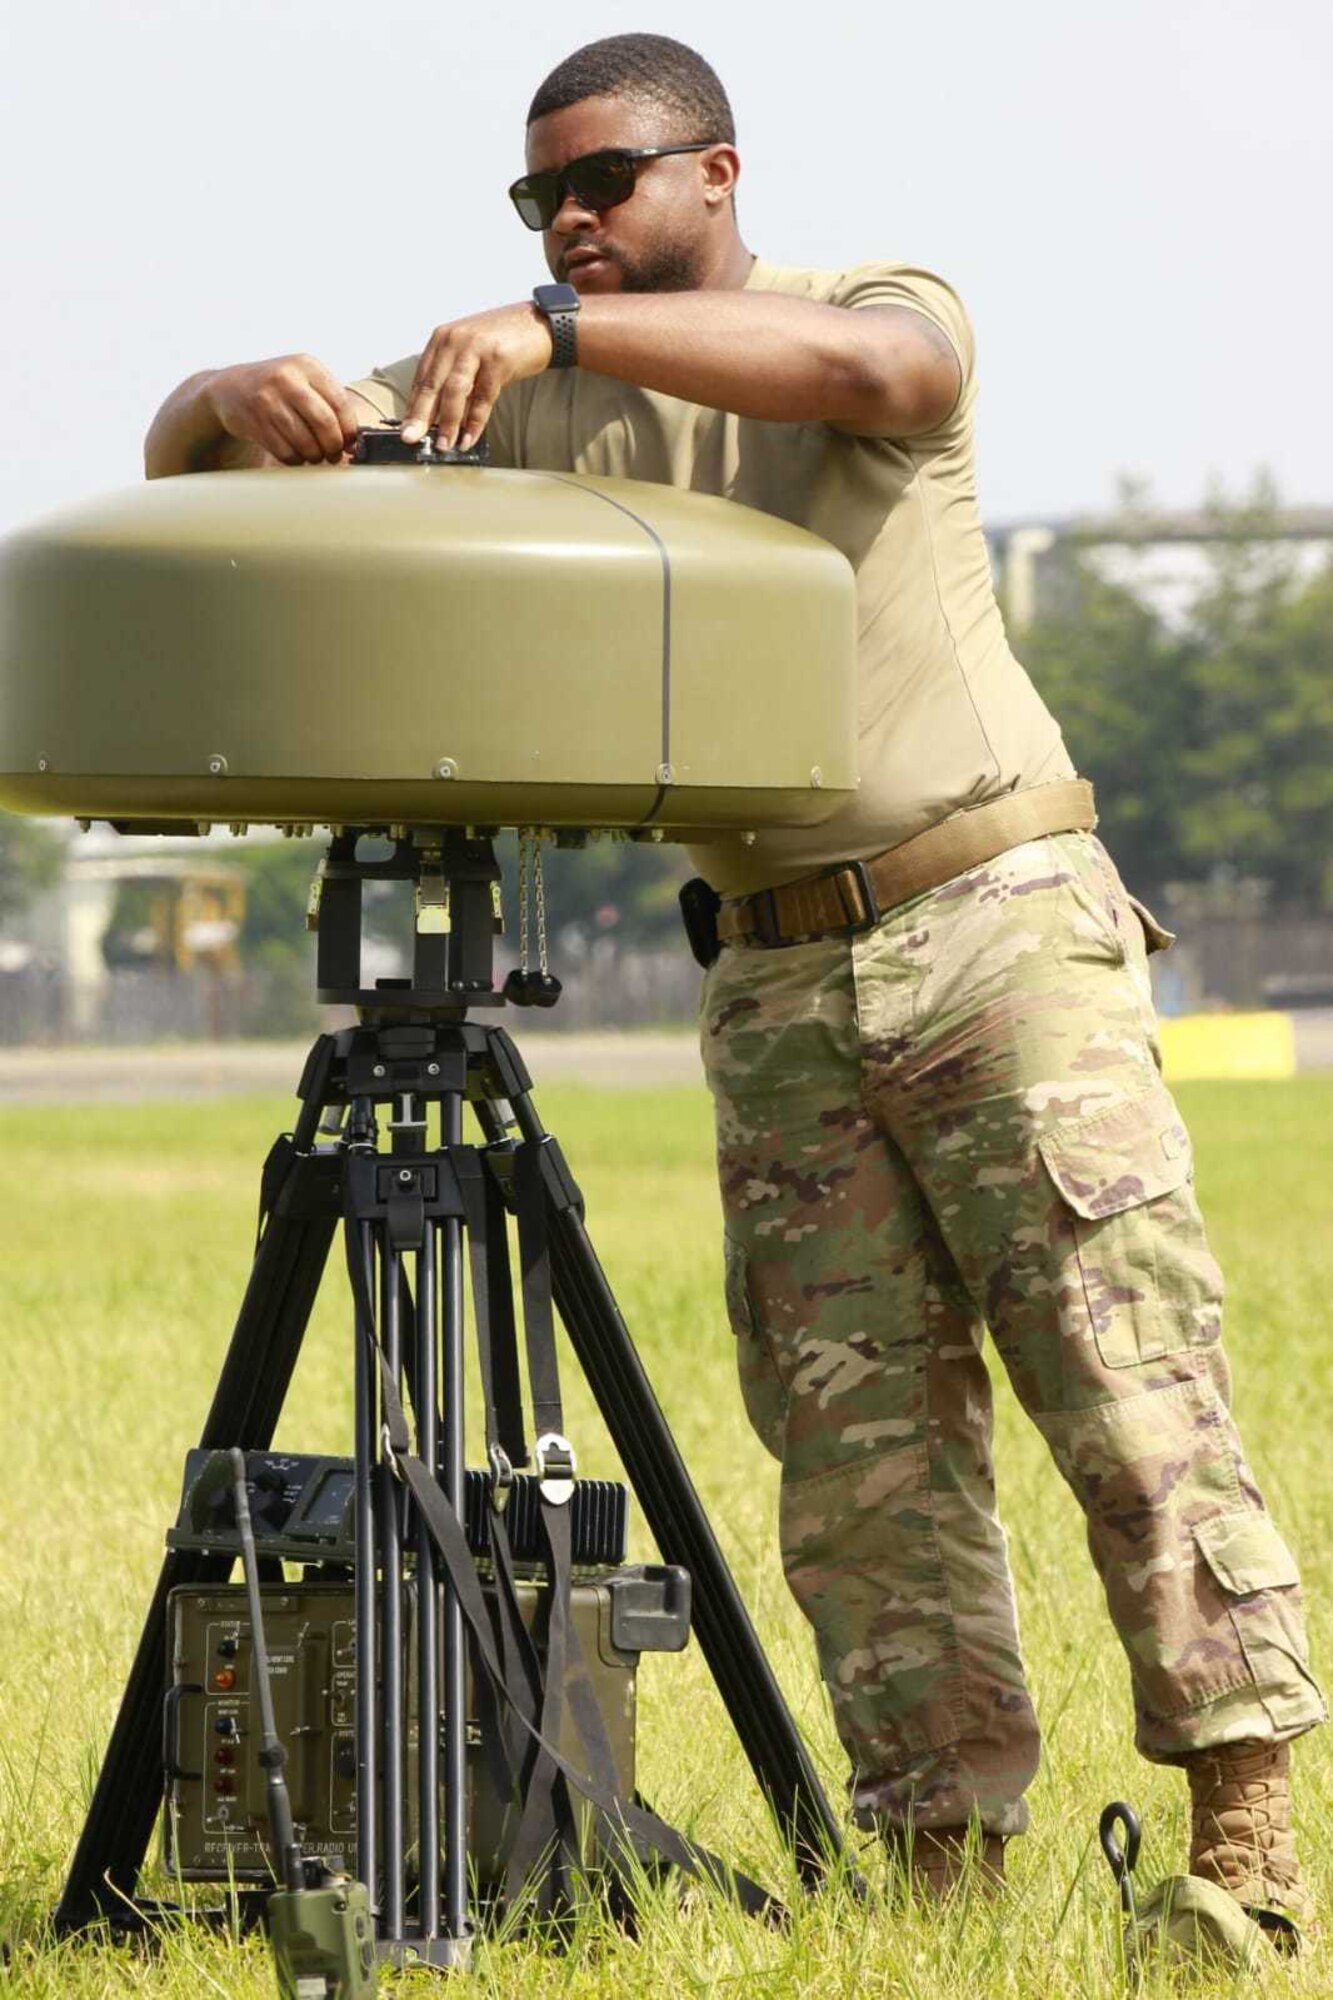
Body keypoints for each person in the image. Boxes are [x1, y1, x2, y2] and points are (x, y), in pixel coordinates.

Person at [144, 32, 1324, 1935]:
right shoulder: (524, 386)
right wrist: (220, 395)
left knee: (1123, 1377)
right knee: (858, 1455)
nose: (569, 227)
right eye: (537, 203)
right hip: (771, 976)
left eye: (601, 184)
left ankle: (1244, 1863)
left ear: (717, 175)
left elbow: (890, 379)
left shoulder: (853, 307)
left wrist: (555, 333)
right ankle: (941, 1878)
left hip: (990, 919)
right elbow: (221, 473)